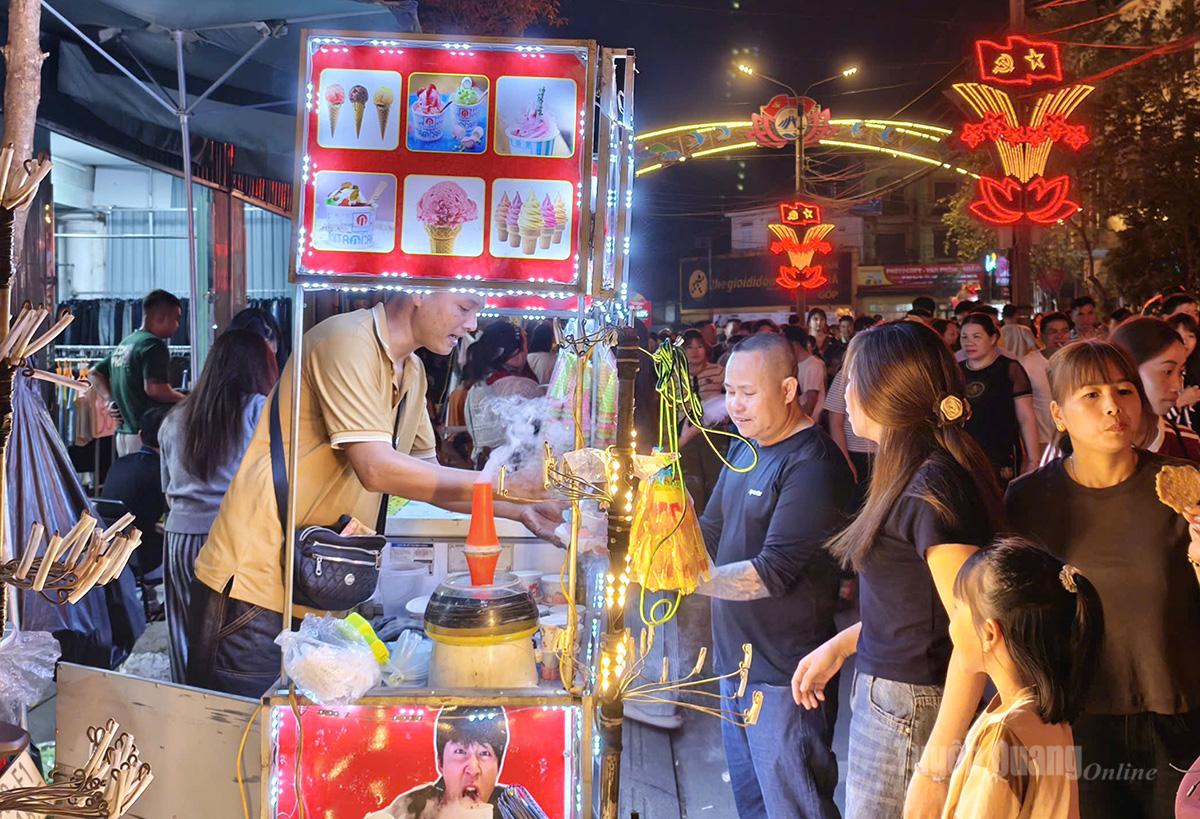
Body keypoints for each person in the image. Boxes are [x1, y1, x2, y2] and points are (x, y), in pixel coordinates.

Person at [187, 293, 560, 696]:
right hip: (254, 592)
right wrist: (501, 482)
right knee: (251, 732)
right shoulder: (347, 341)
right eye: (464, 308)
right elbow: (375, 468)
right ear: (418, 293)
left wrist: (521, 509)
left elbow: (431, 483)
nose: (472, 325)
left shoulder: (412, 371)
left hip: (313, 589)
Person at [792, 321, 1003, 819]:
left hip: (912, 706)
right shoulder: (909, 472)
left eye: (851, 380)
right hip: (895, 696)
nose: (844, 394)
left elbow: (973, 632)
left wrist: (935, 768)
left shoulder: (931, 486)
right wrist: (842, 645)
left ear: (887, 391)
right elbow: (913, 606)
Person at [1005, 339, 1200, 818]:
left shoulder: (1186, 485)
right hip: (1075, 720)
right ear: (1058, 414)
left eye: (1124, 390)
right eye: (1091, 395)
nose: (1113, 406)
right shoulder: (1027, 500)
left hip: (1178, 713)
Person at [695, 333, 853, 819]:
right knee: (753, 807)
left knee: (794, 807)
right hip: (735, 665)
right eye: (729, 391)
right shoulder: (745, 448)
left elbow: (771, 573)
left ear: (788, 390)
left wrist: (681, 577)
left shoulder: (812, 464)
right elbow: (710, 531)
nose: (735, 405)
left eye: (748, 392)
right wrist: (652, 531)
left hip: (787, 678)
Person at [943, 539, 1103, 819]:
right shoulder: (1044, 710)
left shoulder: (1002, 739)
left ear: (989, 633)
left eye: (957, 609)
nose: (951, 623)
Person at [158, 329, 278, 683]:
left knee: (183, 632)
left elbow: (167, 489)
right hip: (232, 538)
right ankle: (223, 708)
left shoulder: (176, 417)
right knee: (229, 638)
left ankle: (184, 702)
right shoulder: (258, 410)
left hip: (179, 535)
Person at [365, 706, 549, 819]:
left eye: (484, 753)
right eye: (460, 752)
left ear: (499, 766)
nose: (473, 769)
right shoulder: (414, 805)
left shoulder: (512, 806)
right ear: (440, 763)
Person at [89, 289, 185, 456]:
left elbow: (94, 373)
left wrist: (110, 400)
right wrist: (188, 400)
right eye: (176, 319)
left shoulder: (126, 343)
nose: (178, 325)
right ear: (160, 317)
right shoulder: (154, 345)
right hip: (146, 436)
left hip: (123, 434)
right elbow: (155, 390)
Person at [959, 314, 1041, 483]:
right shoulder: (956, 371)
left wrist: (1034, 460)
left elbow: (1026, 417)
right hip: (966, 454)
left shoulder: (1009, 369)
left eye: (976, 337)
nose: (969, 343)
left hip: (1002, 453)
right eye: (964, 337)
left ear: (993, 338)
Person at [1110, 317, 1200, 461]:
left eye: (1180, 372)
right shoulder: (1095, 450)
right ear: (1127, 370)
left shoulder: (1189, 445)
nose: (1178, 386)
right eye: (1167, 371)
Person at [463, 321, 542, 468]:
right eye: (525, 345)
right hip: (516, 471)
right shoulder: (523, 387)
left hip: (483, 469)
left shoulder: (475, 389)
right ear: (516, 351)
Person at [100, 406, 167, 575]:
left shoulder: (119, 464)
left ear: (140, 436)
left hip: (107, 557)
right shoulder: (162, 472)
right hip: (145, 561)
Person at [679, 329, 727, 514]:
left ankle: (713, 518)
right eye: (689, 347)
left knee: (715, 479)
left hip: (714, 433)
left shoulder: (719, 371)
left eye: (699, 346)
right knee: (692, 482)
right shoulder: (675, 375)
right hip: (685, 433)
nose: (695, 351)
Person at [1022, 312, 1073, 456]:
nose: (1060, 336)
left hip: (1076, 438)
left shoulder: (1078, 362)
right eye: (1053, 332)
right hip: (1043, 441)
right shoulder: (1027, 364)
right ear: (1042, 336)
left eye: (1064, 331)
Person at [784, 326, 826, 420]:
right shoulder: (793, 363)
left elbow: (811, 399)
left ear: (794, 344)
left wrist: (801, 421)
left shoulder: (813, 364)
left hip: (809, 420)